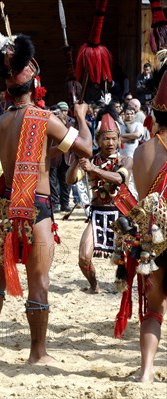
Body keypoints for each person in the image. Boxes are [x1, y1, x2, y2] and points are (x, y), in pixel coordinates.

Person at [0, 34, 92, 364]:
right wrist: (81, 117)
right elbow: (85, 147)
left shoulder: (0, 122)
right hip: (35, 206)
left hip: (4, 205)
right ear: (35, 84)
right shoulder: (43, 119)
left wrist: (53, 148)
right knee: (39, 281)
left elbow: (35, 155)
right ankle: (38, 352)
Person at [121, 70, 167, 382]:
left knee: (154, 308)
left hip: (154, 239)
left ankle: (146, 371)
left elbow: (142, 194)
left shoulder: (140, 152)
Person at [66, 107, 133, 293]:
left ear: (119, 140)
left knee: (130, 257)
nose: (110, 142)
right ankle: (94, 285)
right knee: (83, 257)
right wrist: (77, 158)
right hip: (96, 215)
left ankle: (126, 285)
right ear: (97, 140)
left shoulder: (126, 160)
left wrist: (93, 169)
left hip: (120, 215)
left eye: (113, 138)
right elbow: (70, 180)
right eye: (106, 138)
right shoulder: (89, 160)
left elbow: (119, 178)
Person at [50, 101, 76, 213]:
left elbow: (74, 140)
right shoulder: (51, 123)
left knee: (66, 182)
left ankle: (65, 204)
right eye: (61, 111)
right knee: (52, 182)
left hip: (66, 157)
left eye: (65, 111)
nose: (64, 113)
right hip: (54, 157)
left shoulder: (71, 124)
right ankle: (55, 204)